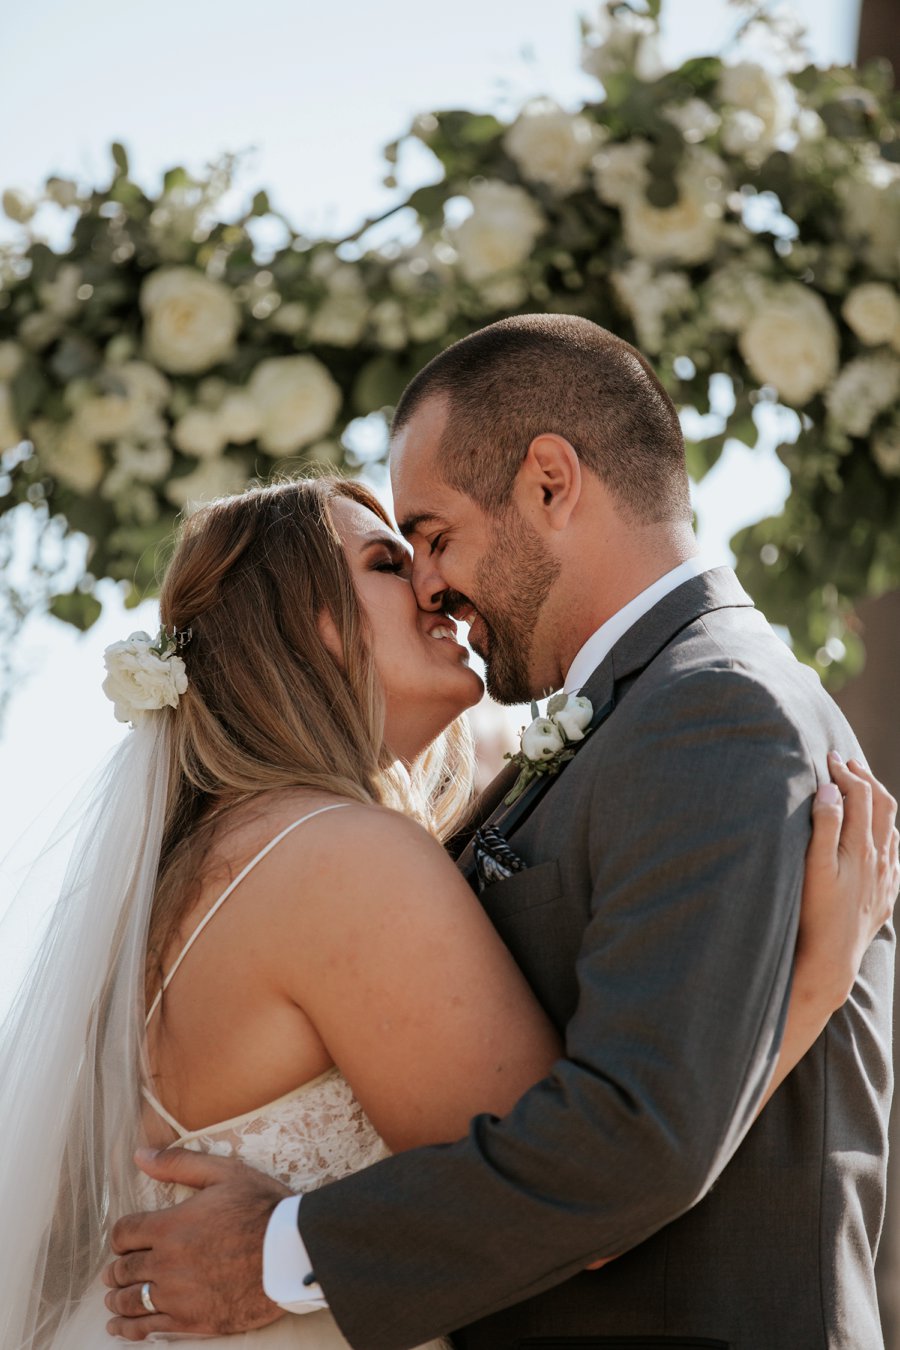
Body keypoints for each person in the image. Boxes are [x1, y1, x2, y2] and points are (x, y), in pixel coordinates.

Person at [102, 316, 900, 1350]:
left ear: (551, 484)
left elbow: (634, 1138)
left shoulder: (714, 709)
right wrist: (806, 989)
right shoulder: (607, 729)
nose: (432, 583)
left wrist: (277, 1254)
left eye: (431, 536)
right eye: (398, 559)